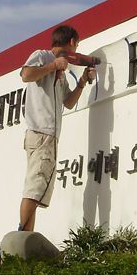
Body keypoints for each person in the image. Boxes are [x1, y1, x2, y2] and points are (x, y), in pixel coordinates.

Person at [18, 24, 96, 231]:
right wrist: (53, 66)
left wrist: (82, 81)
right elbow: (26, 75)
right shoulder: (42, 56)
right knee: (34, 189)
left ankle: (27, 239)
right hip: (40, 133)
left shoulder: (62, 71)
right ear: (72, 42)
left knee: (38, 190)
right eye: (77, 44)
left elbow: (68, 102)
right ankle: (23, 240)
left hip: (49, 137)